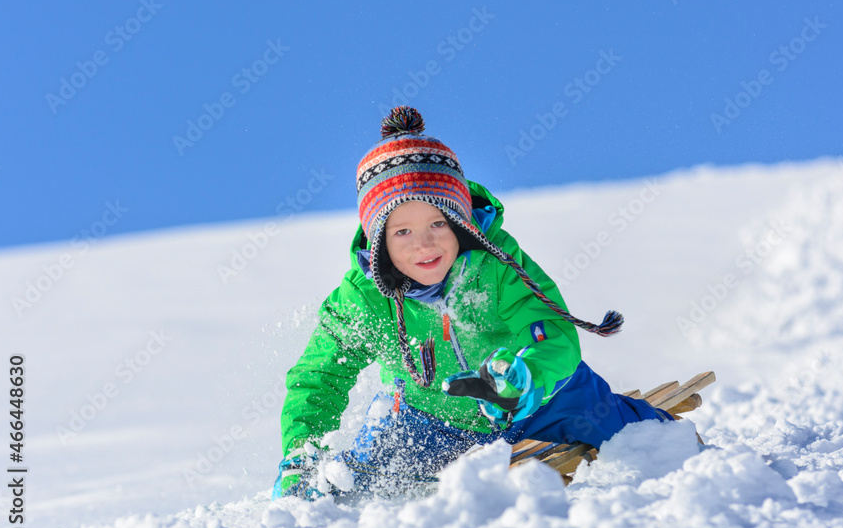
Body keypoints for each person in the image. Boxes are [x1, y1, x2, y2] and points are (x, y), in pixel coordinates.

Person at [274, 106, 672, 499]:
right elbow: (319, 377)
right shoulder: (363, 298)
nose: (424, 243)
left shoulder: (495, 262)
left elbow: (551, 330)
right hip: (428, 419)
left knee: (622, 431)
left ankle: (663, 437)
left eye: (437, 223)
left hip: (541, 399)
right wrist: (302, 455)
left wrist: (524, 379)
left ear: (460, 221)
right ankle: (312, 490)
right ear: (379, 242)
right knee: (358, 480)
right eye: (402, 232)